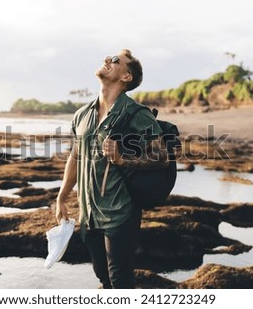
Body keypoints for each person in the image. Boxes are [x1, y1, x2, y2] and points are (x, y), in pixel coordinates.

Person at [55, 49, 168, 289]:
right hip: (88, 214)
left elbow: (161, 156)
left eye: (115, 60)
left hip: (120, 212)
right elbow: (76, 156)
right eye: (108, 57)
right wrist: (62, 196)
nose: (107, 60)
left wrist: (122, 159)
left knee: (120, 280)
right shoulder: (81, 115)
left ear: (126, 77)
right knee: (102, 275)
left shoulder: (137, 114)